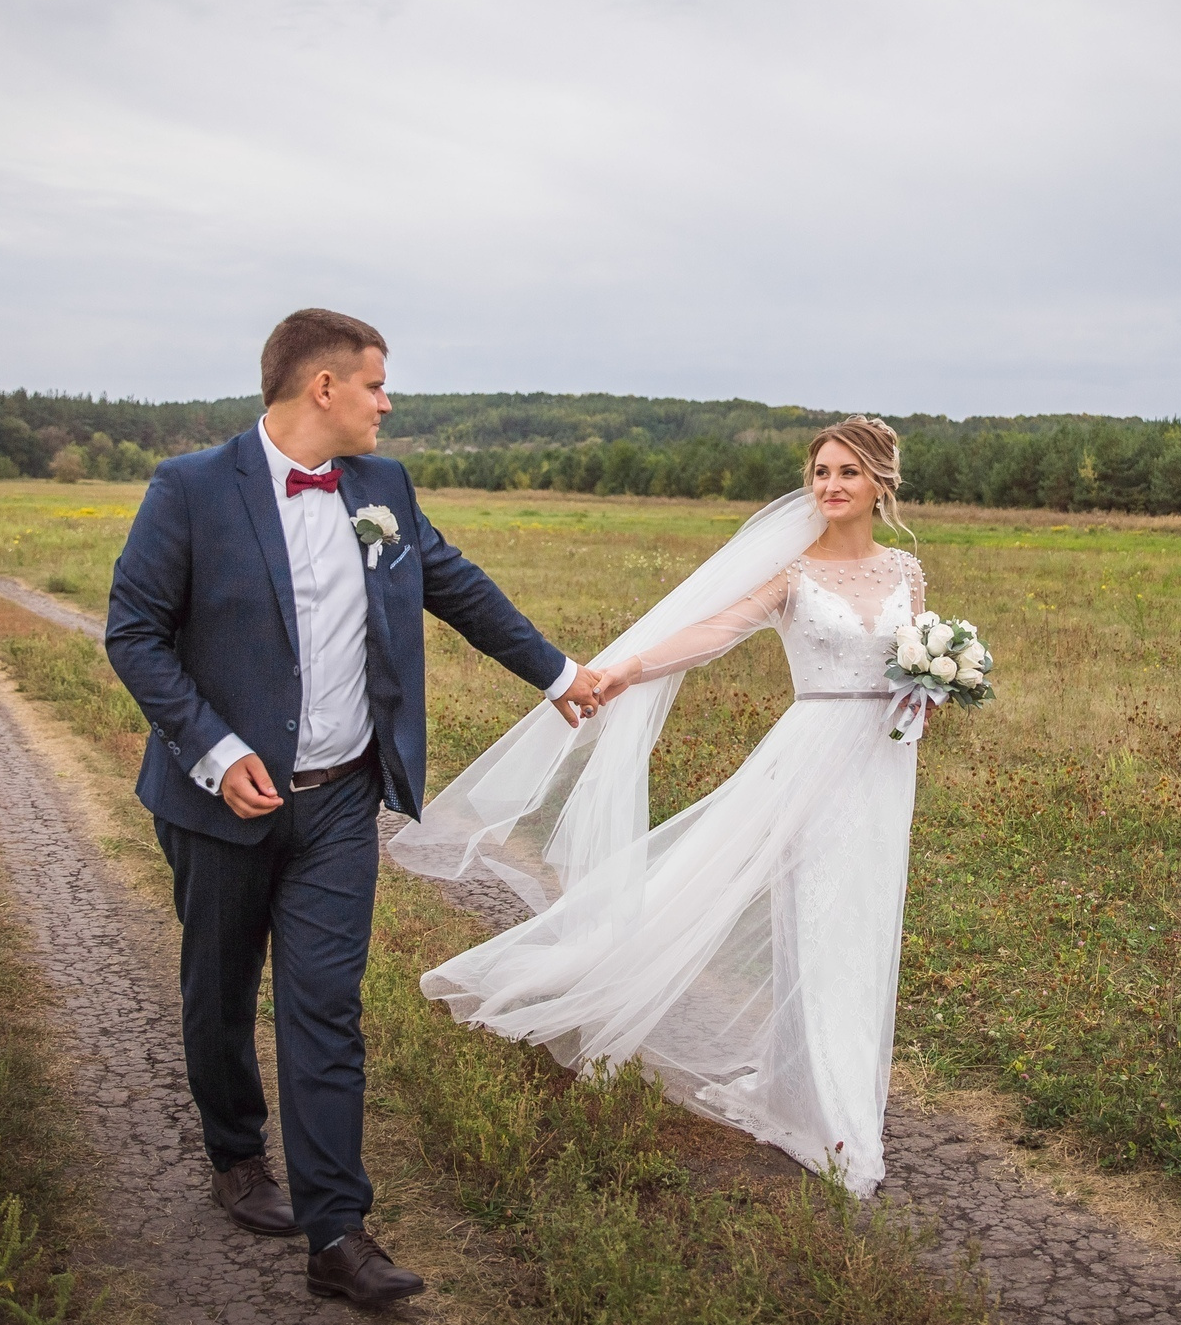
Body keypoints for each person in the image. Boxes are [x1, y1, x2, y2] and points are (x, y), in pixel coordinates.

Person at [104, 308, 605, 1309]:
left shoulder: (382, 487)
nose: (387, 402)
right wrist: (212, 748)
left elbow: (451, 583)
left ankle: (337, 1232)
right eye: (375, 384)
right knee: (218, 989)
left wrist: (556, 673)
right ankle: (236, 1152)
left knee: (325, 1007)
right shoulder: (192, 488)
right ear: (321, 388)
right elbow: (134, 633)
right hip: (221, 806)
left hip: (340, 802)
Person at [391, 417, 931, 1196]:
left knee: (867, 914)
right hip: (809, 754)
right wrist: (628, 668)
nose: (830, 486)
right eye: (820, 472)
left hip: (883, 765)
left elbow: (912, 661)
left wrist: (936, 687)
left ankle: (800, 1087)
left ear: (881, 481)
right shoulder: (794, 572)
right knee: (814, 917)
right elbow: (714, 631)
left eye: (847, 472)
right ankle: (832, 1113)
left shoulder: (907, 572)